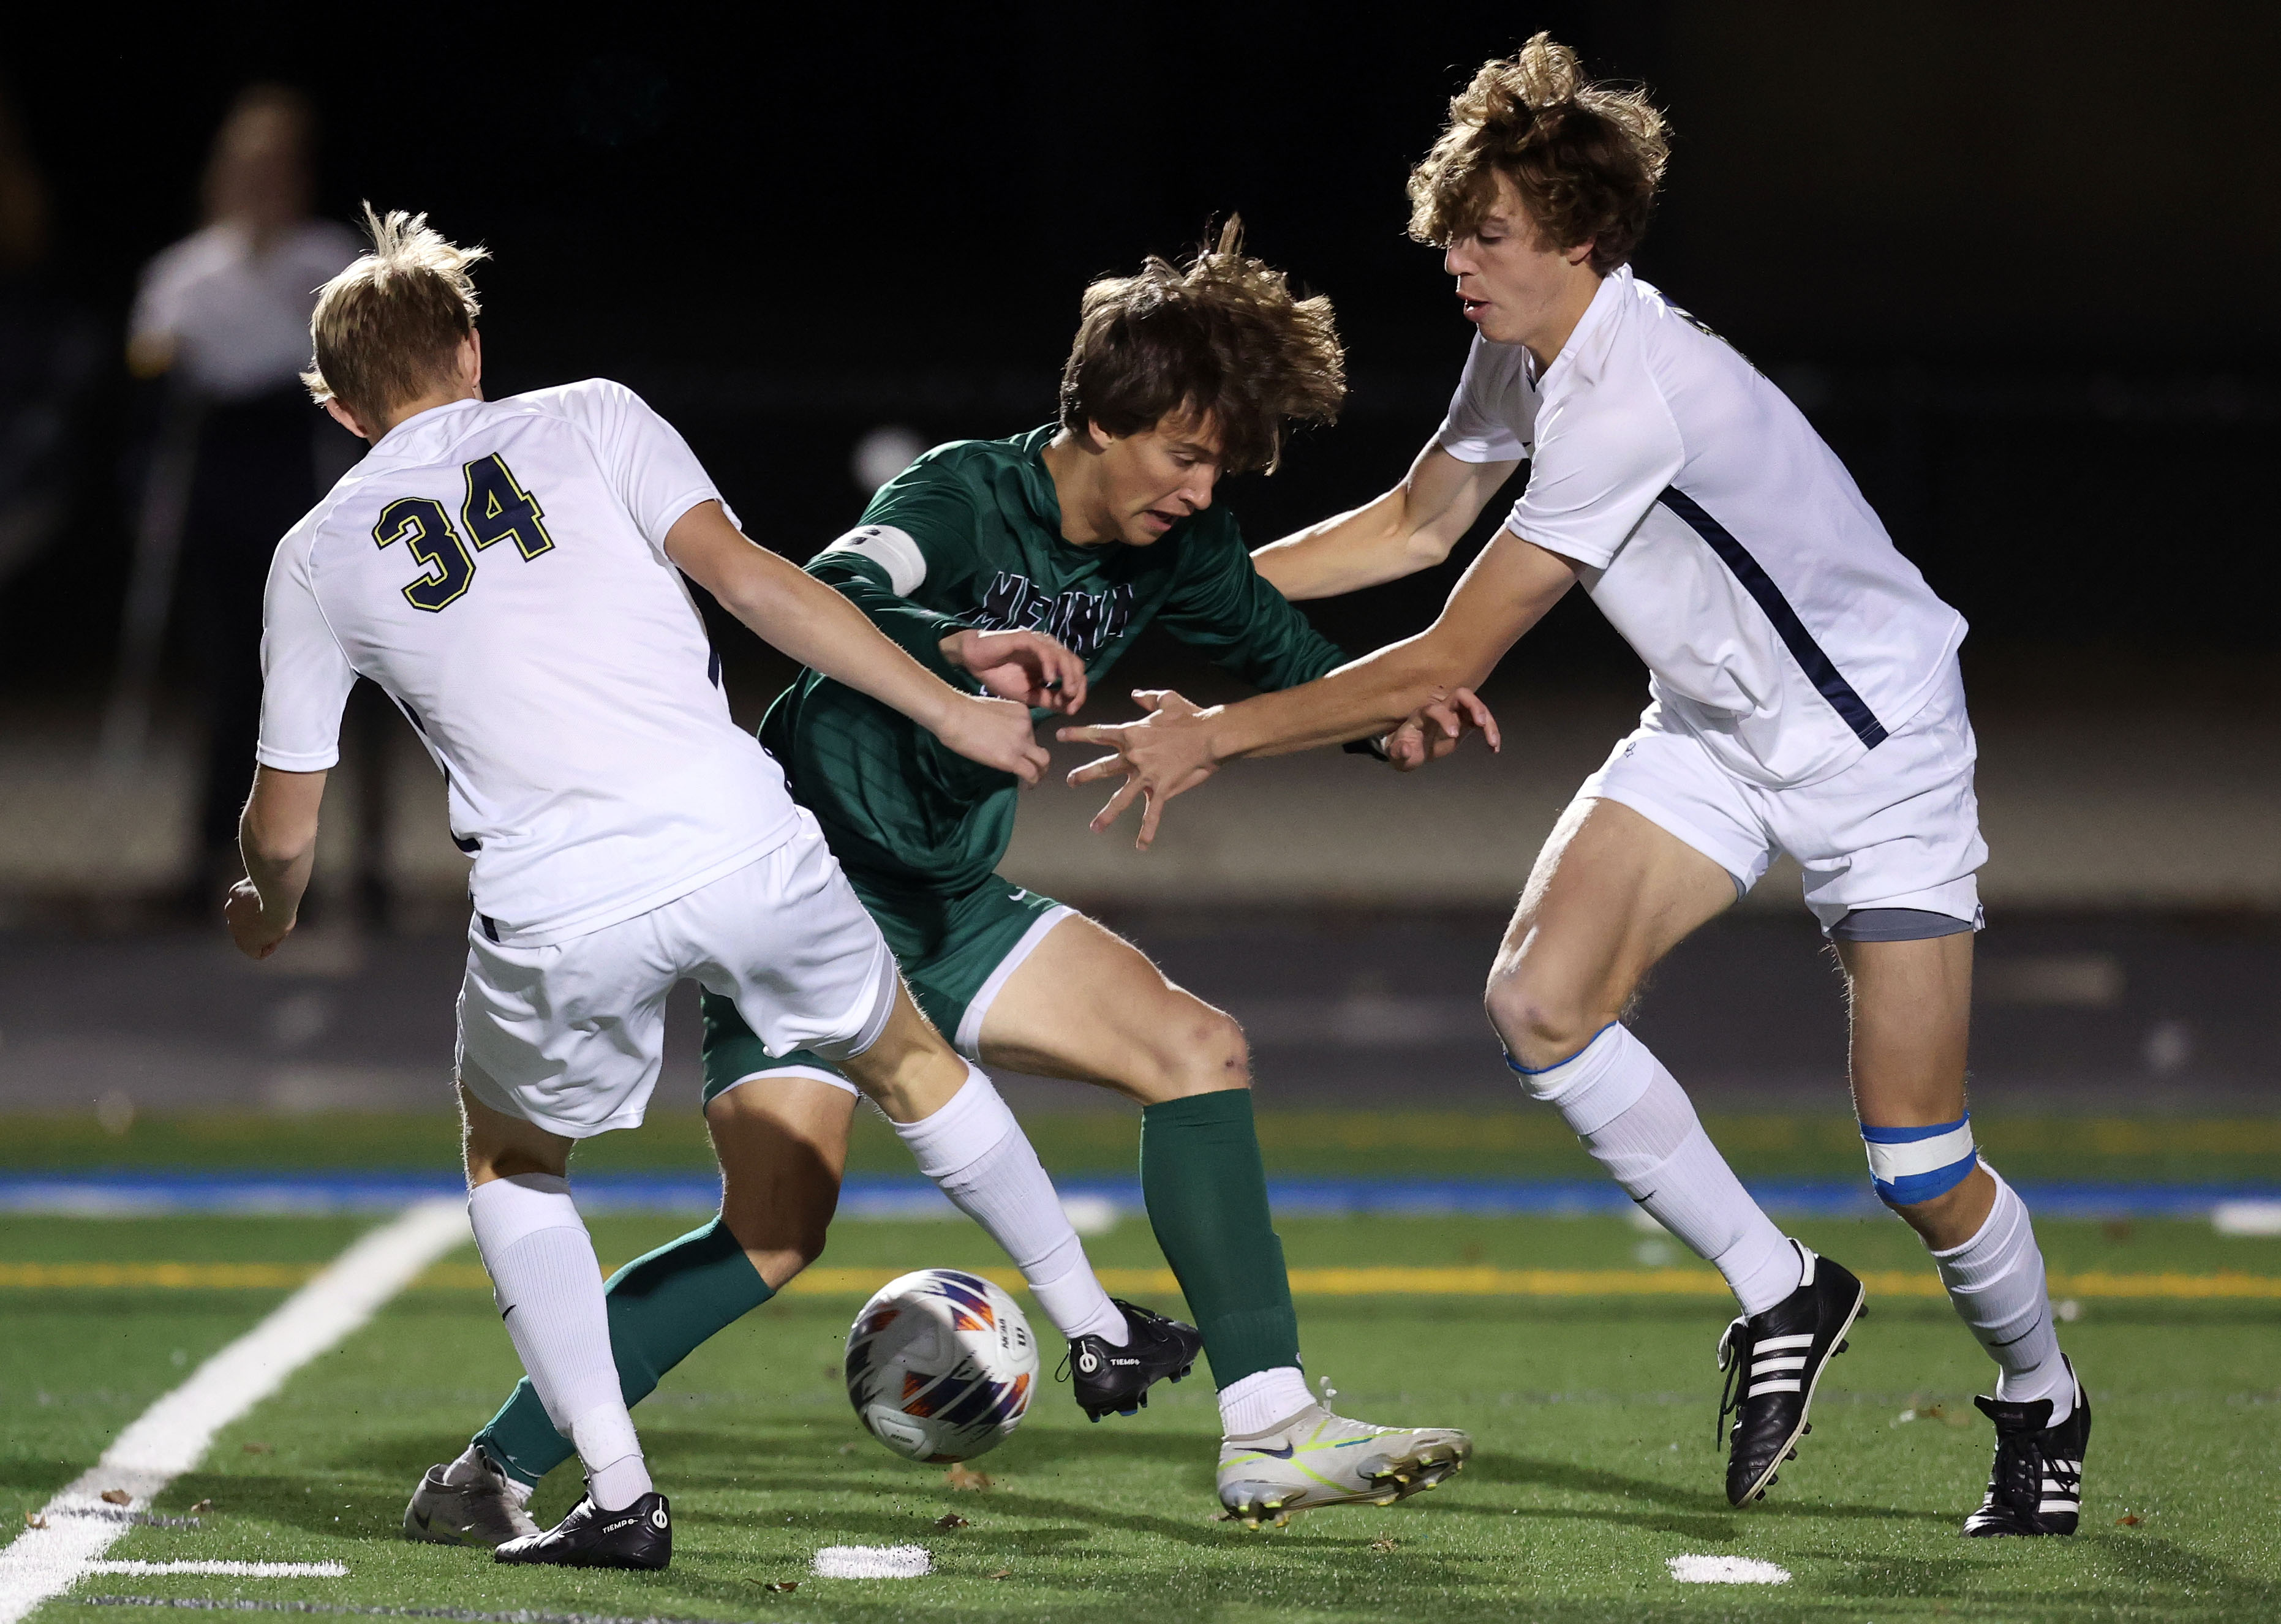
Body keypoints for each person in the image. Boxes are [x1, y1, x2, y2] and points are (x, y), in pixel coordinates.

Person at [1060, 37, 2087, 1537]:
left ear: (1582, 242)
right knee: (1539, 1006)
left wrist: (1210, 732)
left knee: (1917, 1162)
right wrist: (1145, 606)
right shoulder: (1526, 348)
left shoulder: (1631, 398)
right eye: (1454, 230)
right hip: (1711, 732)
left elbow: (1442, 654)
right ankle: (1777, 1289)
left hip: (1876, 750)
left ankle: (2043, 1403)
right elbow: (1415, 523)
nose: (1455, 262)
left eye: (1488, 237)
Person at [438, 222, 1471, 1535]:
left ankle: (1268, 1425)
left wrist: (1385, 722)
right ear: (1105, 415)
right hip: (801, 899)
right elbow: (835, 588)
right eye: (1187, 453)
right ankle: (495, 1468)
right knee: (772, 1233)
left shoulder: (1177, 552)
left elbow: (1283, 656)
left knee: (1195, 1048)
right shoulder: (958, 496)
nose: (1204, 489)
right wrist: (960, 645)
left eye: (1222, 464)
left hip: (951, 905)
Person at [233, 206, 1187, 1569]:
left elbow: (287, 826)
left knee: (514, 1164)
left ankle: (615, 1497)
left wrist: (263, 913)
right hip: (740, 839)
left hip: (558, 903)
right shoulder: (595, 414)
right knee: (908, 1061)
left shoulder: (315, 554)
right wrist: (950, 709)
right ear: (470, 347)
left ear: (337, 407)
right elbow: (757, 586)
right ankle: (1097, 1325)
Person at [127, 86, 360, 897]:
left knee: (322, 677)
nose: (261, 184)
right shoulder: (187, 272)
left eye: (278, 167)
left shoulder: (327, 260)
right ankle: (210, 857)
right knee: (232, 677)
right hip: (220, 486)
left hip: (309, 481)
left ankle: (342, 862)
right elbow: (153, 365)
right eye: (246, 166)